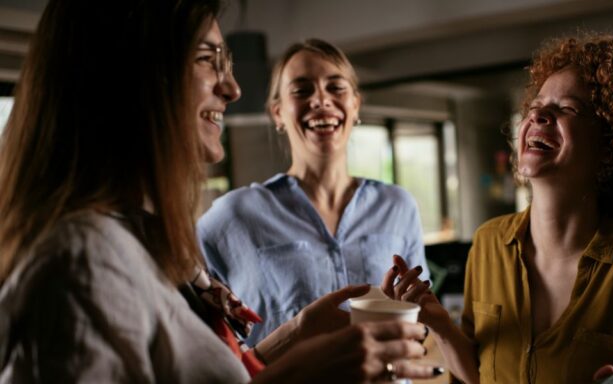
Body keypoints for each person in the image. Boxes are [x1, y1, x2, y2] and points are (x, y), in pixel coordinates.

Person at [0, 0, 442, 382]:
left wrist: (295, 333)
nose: (232, 88)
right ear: (132, 76)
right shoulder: (82, 260)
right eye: (207, 59)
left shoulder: (144, 244)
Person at [384, 31, 613, 383]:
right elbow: (477, 377)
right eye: (536, 106)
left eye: (568, 108)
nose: (539, 116)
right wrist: (439, 323)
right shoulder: (488, 244)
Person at [197, 38, 430, 344]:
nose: (321, 100)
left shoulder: (398, 206)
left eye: (336, 87)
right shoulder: (231, 217)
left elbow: (421, 316)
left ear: (355, 104)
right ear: (277, 113)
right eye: (301, 90)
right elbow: (211, 343)